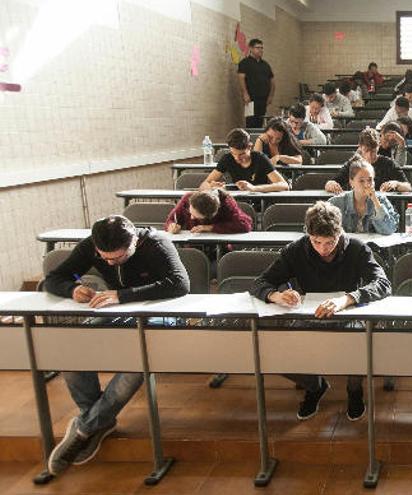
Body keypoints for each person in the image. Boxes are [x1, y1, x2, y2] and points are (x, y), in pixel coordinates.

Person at [44, 216, 190, 475]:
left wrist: (123, 295)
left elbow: (180, 284)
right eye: (105, 258)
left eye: (118, 258)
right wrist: (72, 289)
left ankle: (85, 429)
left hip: (160, 314)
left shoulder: (157, 244)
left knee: (137, 362)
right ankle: (99, 421)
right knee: (70, 350)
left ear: (133, 240)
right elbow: (56, 277)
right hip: (115, 311)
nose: (110, 263)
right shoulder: (92, 245)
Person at [252, 201, 391, 421]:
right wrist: (276, 295)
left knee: (362, 346)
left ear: (340, 232)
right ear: (308, 234)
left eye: (330, 242)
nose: (323, 249)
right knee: (276, 352)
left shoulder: (356, 248)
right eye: (317, 242)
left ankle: (354, 390)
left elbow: (383, 284)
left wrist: (347, 299)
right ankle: (315, 386)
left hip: (347, 316)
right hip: (309, 316)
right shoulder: (296, 250)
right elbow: (261, 282)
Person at [199, 128, 289, 192]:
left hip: (258, 202)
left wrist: (254, 188)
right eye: (233, 153)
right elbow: (203, 185)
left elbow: (284, 185)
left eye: (242, 154)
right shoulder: (227, 158)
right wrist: (211, 186)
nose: (237, 158)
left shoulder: (260, 158)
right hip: (236, 202)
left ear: (250, 146)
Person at [325, 128, 411, 194]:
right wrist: (331, 184)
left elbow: (408, 187)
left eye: (373, 151)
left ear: (378, 147)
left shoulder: (388, 163)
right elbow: (332, 182)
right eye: (366, 150)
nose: (370, 155)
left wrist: (396, 184)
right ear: (360, 147)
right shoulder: (353, 164)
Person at [328, 159, 400, 235]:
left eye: (370, 180)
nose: (367, 185)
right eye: (361, 181)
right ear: (351, 182)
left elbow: (389, 230)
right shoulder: (335, 203)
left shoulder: (381, 200)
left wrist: (376, 201)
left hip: (374, 246)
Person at [164, 188, 253, 234]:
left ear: (211, 215)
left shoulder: (226, 203)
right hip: (192, 243)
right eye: (190, 213)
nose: (191, 217)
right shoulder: (188, 198)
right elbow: (171, 219)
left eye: (196, 217)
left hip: (217, 247)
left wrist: (210, 227)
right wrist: (171, 226)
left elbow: (245, 225)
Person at [238, 38, 274, 128]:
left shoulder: (265, 65)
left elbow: (272, 81)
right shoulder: (244, 63)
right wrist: (245, 94)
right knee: (250, 121)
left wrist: (270, 96)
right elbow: (241, 78)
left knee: (260, 121)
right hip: (250, 99)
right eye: (258, 47)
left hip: (263, 99)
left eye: (262, 48)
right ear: (251, 48)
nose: (260, 50)